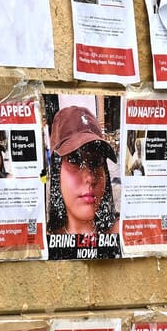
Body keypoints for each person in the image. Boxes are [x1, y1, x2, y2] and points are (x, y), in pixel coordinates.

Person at [48, 104, 117, 247]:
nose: (90, 178)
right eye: (74, 160)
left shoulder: (125, 234)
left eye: (97, 162)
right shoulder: (43, 243)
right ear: (56, 171)